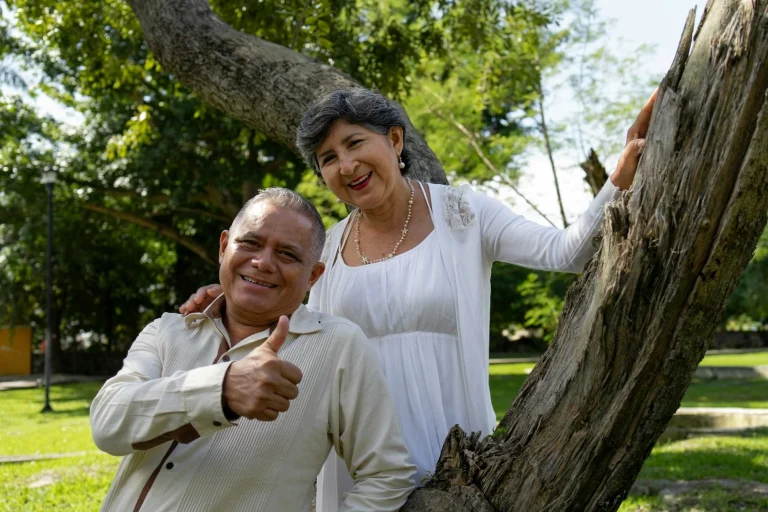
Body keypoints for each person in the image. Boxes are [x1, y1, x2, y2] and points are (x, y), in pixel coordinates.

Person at [180, 87, 657, 509]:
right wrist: (226, 295)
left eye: (354, 143)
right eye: (327, 158)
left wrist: (620, 177)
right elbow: (278, 316)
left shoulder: (465, 214)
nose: (345, 165)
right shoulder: (326, 249)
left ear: (394, 140)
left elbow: (566, 251)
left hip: (455, 457)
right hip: (355, 467)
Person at [91, 187, 416, 512]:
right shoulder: (169, 329)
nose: (262, 262)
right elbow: (107, 424)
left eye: (287, 255)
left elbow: (387, 475)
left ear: (313, 276)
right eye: (250, 244)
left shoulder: (338, 346)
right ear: (223, 247)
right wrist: (220, 391)